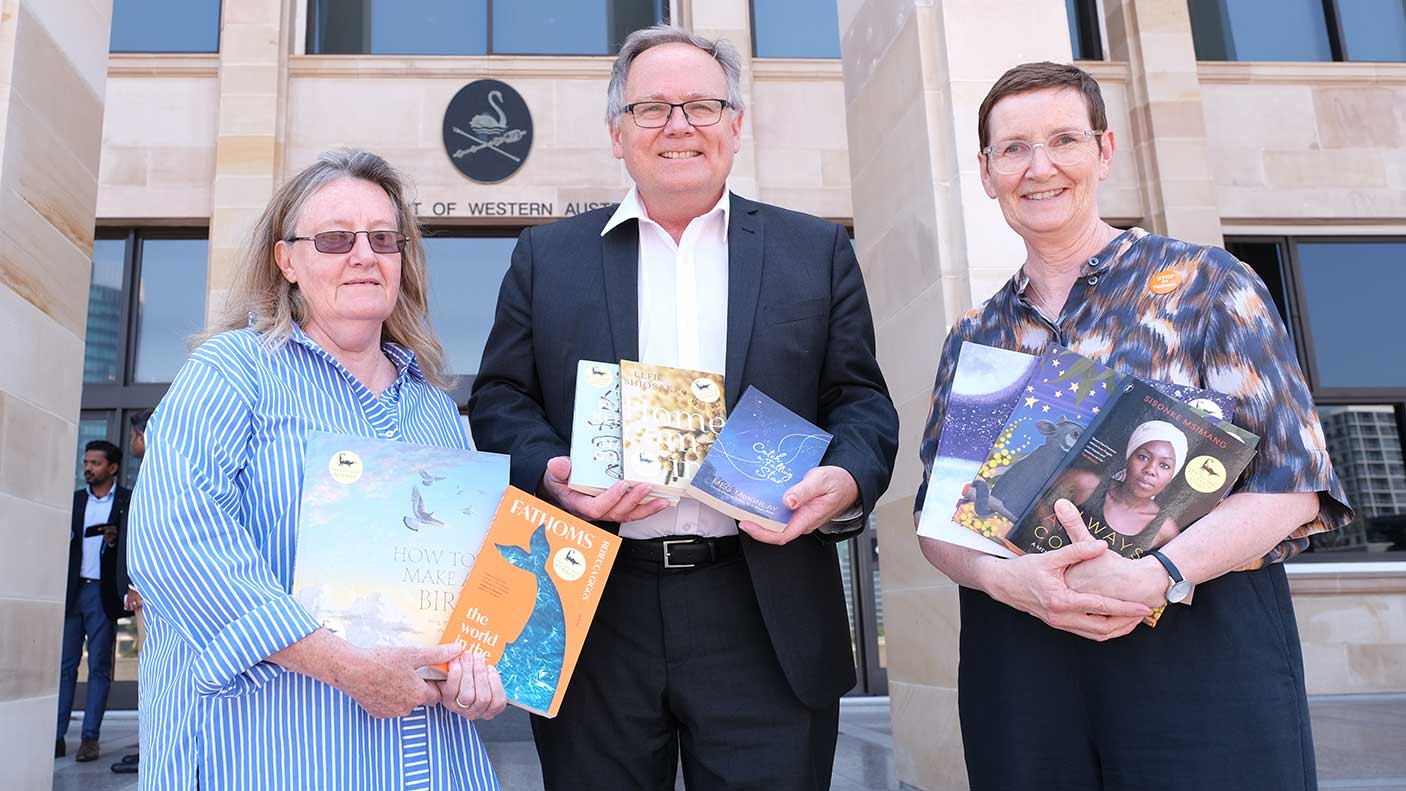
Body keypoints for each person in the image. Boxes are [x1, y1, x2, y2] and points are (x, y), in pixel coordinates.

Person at [469, 25, 898, 791]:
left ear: (736, 124)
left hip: (762, 606)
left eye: (701, 105)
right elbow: (500, 399)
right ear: (616, 133)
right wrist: (552, 471)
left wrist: (844, 479)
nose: (678, 126)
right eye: (652, 108)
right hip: (594, 602)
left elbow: (861, 403)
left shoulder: (815, 251)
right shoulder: (545, 256)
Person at [913, 61, 1352, 790]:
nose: (1040, 166)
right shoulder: (976, 336)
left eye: (1063, 139)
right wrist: (1008, 580)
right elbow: (938, 522)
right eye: (1013, 148)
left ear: (1105, 151)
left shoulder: (1208, 285)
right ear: (987, 173)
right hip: (1024, 661)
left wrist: (1155, 574)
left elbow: (1295, 486)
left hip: (1195, 644)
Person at [127, 149, 506, 791]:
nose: (364, 255)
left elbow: (464, 591)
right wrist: (345, 667)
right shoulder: (231, 373)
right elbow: (174, 546)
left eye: (383, 238)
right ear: (287, 261)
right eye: (334, 239)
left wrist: (478, 673)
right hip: (269, 755)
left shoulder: (436, 412)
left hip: (433, 762)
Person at [57, 440, 131, 762]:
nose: (88, 468)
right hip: (73, 593)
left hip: (102, 595)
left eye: (95, 463)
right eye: (86, 462)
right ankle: (56, 736)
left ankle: (90, 738)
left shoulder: (126, 502)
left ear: (112, 467)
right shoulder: (72, 502)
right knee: (64, 667)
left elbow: (132, 546)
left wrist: (114, 542)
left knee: (99, 667)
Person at [1018, 420, 1186, 551]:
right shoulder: (1083, 483)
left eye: (1164, 465)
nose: (1150, 470)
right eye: (1143, 457)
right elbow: (1032, 500)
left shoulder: (1165, 531)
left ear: (1172, 475)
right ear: (1128, 458)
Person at [111, 409, 150, 775]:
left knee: (153, 670)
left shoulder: (157, 472)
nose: (131, 445)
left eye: (133, 437)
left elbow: (147, 534)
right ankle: (145, 745)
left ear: (142, 435)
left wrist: (136, 583)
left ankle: (149, 748)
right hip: (144, 590)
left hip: (150, 592)